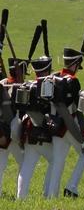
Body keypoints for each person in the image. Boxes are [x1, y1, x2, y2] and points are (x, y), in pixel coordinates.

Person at [46, 47, 84, 198]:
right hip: (70, 125)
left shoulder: (53, 76)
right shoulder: (73, 81)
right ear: (75, 63)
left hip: (55, 125)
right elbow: (77, 109)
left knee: (58, 161)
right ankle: (71, 187)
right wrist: (82, 129)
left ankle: (52, 196)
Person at [16, 55, 54, 199]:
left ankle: (21, 197)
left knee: (27, 166)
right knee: (55, 161)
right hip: (43, 132)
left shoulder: (27, 85)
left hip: (28, 132)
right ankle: (47, 194)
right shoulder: (46, 86)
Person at [0, 58, 28, 194]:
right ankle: (21, 194)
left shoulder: (4, 83)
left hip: (5, 130)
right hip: (10, 130)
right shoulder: (19, 86)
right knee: (23, 163)